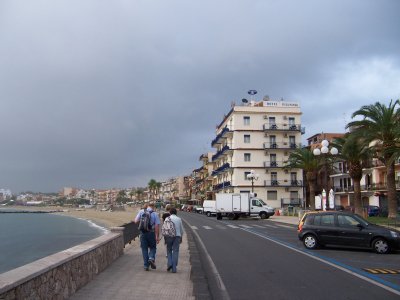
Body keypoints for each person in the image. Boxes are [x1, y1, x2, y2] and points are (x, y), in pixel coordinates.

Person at [134, 202, 161, 271]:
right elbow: (157, 226)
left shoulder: (141, 211)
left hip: (143, 233)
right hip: (151, 233)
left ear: (147, 206)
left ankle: (146, 266)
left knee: (144, 249)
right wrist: (157, 236)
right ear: (153, 206)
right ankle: (151, 258)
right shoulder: (155, 214)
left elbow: (135, 221)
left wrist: (142, 222)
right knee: (153, 247)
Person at [164, 207, 183, 273]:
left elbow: (165, 228)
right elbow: (181, 230)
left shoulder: (167, 218)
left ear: (170, 212)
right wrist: (181, 237)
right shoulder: (179, 219)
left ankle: (170, 263)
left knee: (169, 250)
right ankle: (174, 268)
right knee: (175, 251)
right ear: (176, 213)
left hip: (169, 236)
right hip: (177, 236)